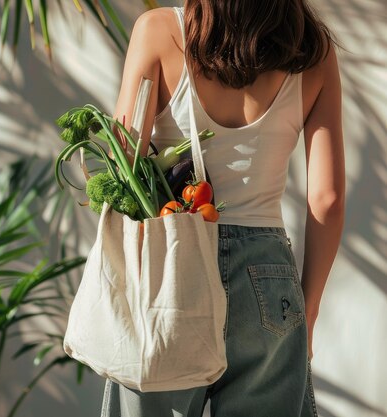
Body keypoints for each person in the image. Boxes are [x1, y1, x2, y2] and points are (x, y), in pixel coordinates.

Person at [103, 1, 345, 416]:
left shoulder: (159, 31)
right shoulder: (312, 50)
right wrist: (307, 309)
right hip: (268, 279)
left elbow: (124, 162)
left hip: (173, 263)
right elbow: (327, 198)